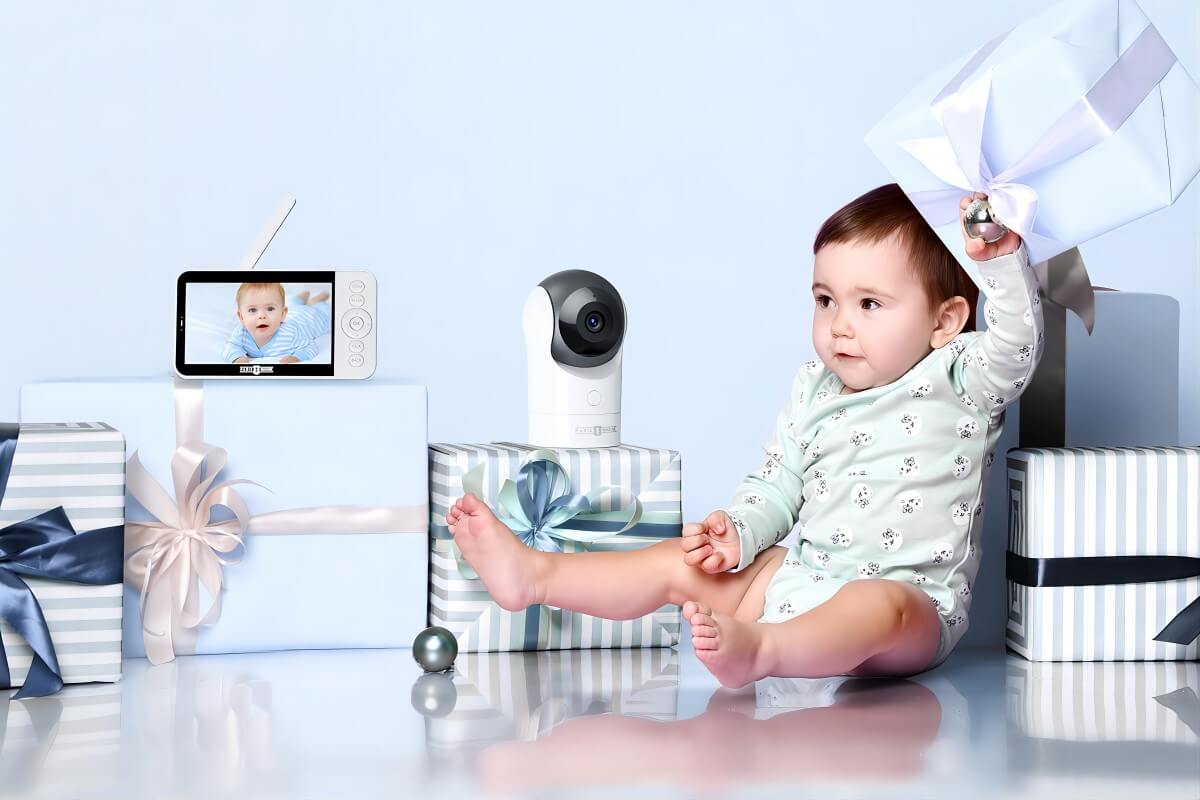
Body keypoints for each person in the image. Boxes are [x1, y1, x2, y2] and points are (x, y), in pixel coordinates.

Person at [447, 185, 1043, 687]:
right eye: (825, 300)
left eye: (869, 304)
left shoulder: (961, 375)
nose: (839, 325)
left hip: (910, 609)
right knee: (683, 563)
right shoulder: (816, 390)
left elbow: (1018, 347)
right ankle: (534, 577)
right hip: (800, 581)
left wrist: (998, 264)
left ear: (944, 320)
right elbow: (778, 485)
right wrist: (738, 531)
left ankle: (762, 653)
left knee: (878, 604)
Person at [220, 282, 331, 364]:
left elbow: (309, 347)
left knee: (325, 314)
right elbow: (231, 347)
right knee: (292, 305)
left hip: (307, 317)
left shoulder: (290, 334)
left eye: (270, 308)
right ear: (241, 317)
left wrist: (297, 357)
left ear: (283, 314)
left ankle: (316, 302)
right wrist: (238, 358)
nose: (261, 316)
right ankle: (299, 299)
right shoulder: (241, 333)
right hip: (292, 310)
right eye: (253, 310)